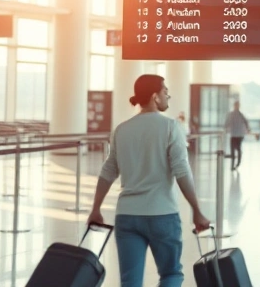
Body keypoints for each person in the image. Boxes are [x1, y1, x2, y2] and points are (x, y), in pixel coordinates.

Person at [88, 74, 211, 287]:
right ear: (155, 96)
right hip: (162, 215)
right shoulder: (171, 127)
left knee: (130, 281)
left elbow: (108, 170)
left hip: (127, 215)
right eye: (165, 91)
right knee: (171, 274)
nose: (168, 96)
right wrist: (197, 210)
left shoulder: (122, 129)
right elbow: (182, 171)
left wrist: (96, 208)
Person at [224, 100, 251, 169]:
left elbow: (246, 122)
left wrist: (248, 129)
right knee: (234, 149)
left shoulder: (240, 114)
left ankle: (237, 163)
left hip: (238, 135)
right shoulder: (232, 114)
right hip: (234, 134)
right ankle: (233, 165)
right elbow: (227, 123)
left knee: (237, 148)